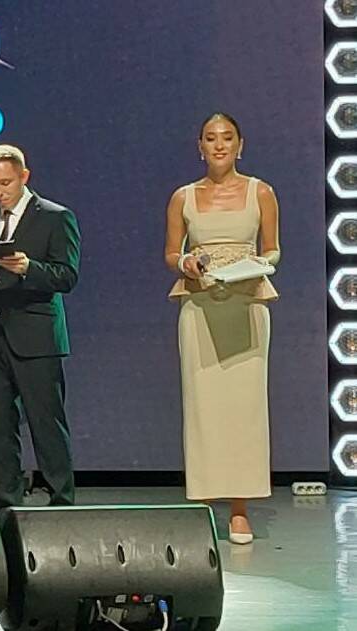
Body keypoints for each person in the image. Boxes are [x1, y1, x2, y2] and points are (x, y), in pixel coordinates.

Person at [164, 112, 279, 544]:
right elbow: (171, 253)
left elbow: (273, 248)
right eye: (210, 138)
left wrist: (259, 263)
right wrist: (186, 262)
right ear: (200, 146)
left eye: (227, 138)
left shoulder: (260, 191)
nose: (219, 145)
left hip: (246, 302)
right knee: (203, 406)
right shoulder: (183, 197)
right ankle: (203, 503)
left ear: (239, 145)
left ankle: (240, 509)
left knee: (244, 408)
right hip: (200, 304)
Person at [0, 144, 81, 509]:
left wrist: (28, 268)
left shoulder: (55, 217)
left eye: (5, 183)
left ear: (24, 176)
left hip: (36, 339)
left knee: (46, 423)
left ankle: (61, 503)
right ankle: (8, 504)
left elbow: (67, 275)